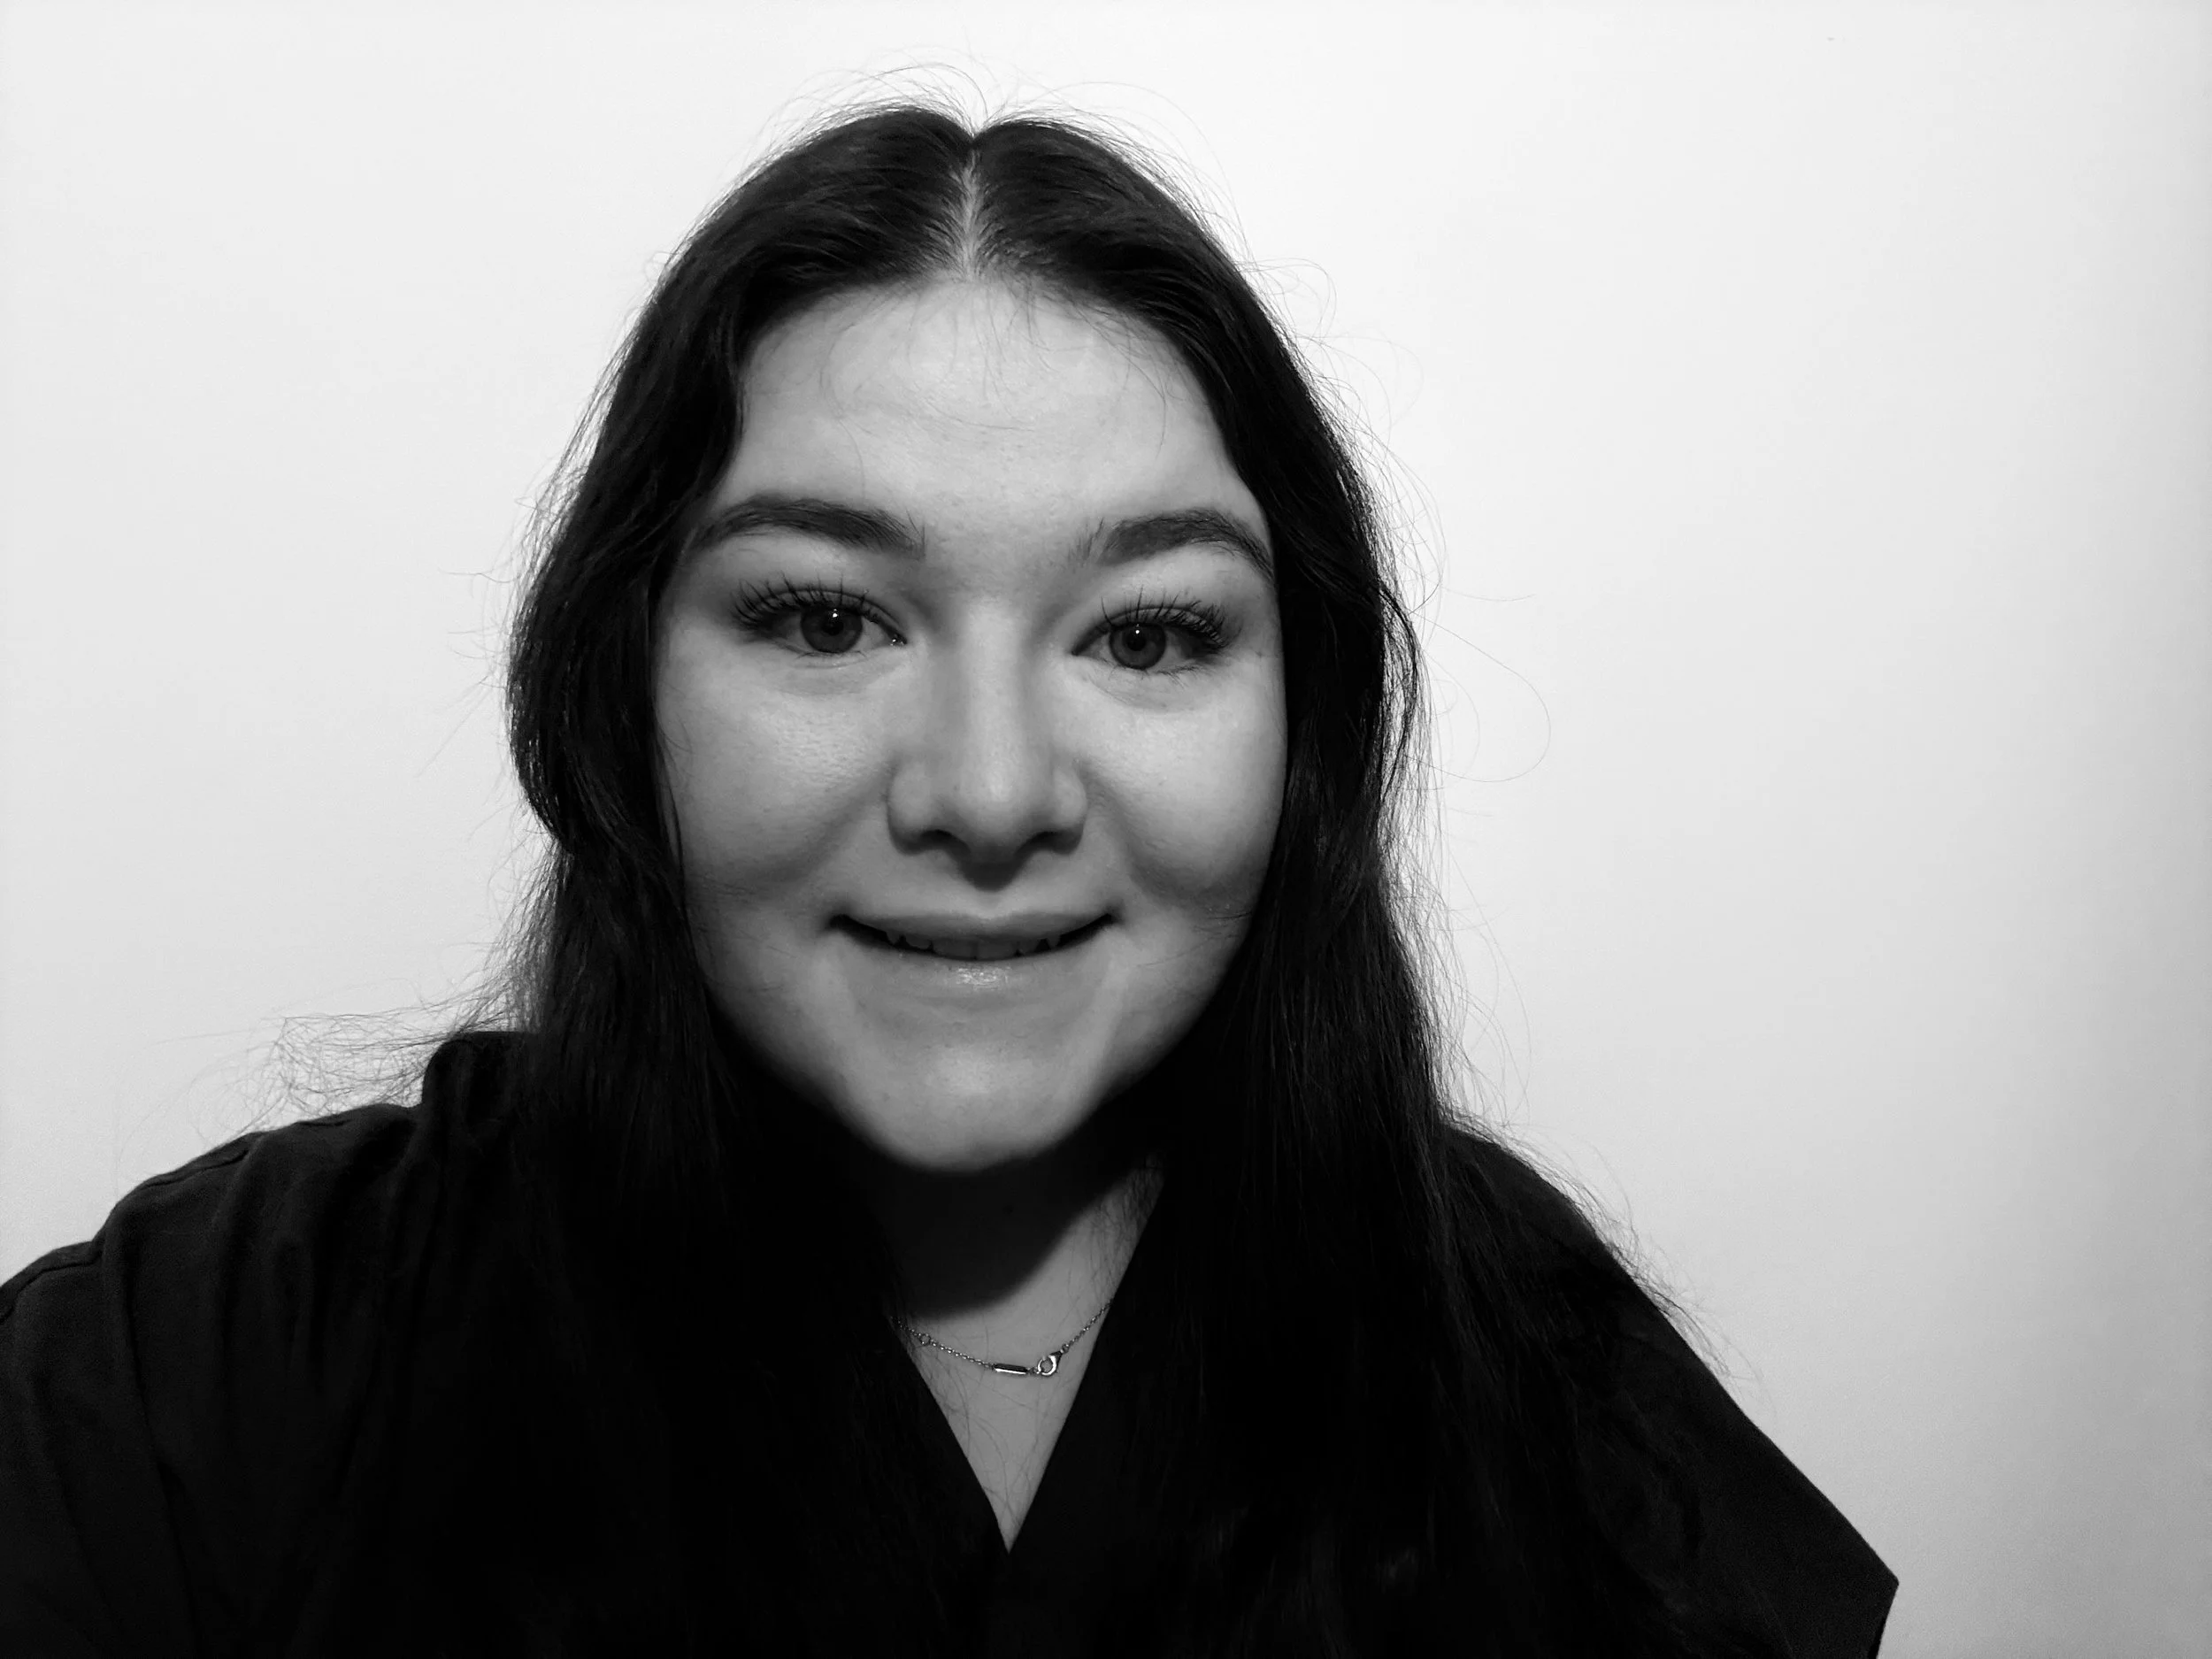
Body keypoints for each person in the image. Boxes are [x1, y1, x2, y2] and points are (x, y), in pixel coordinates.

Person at [0, 101, 1896, 1656]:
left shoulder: (1545, 1397)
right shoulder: (222, 1367)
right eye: (824, 617)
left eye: (1146, 636)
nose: (989, 790)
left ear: (1299, 735)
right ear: (618, 693)